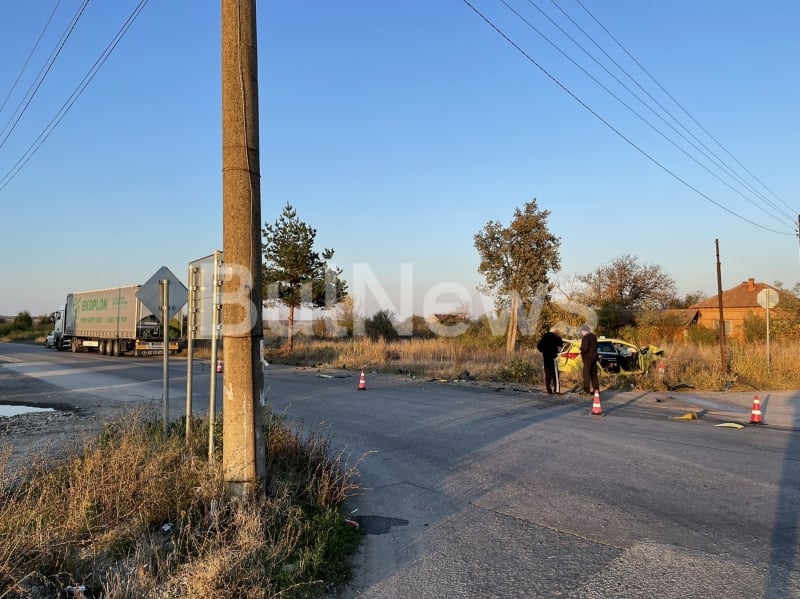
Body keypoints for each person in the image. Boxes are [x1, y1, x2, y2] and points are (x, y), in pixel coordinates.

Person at [536, 326, 563, 394]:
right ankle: (556, 390)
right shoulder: (555, 337)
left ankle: (549, 389)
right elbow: (561, 344)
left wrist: (545, 352)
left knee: (547, 374)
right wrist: (555, 350)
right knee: (555, 375)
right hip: (553, 358)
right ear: (556, 332)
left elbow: (539, 346)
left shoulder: (545, 337)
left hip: (546, 358)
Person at [579, 324, 599, 394]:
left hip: (588, 357)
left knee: (586, 374)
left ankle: (586, 390)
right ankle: (596, 389)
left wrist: (581, 351)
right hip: (594, 357)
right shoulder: (594, 336)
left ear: (584, 331)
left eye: (582, 332)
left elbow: (585, 348)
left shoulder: (586, 337)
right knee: (593, 374)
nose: (581, 333)